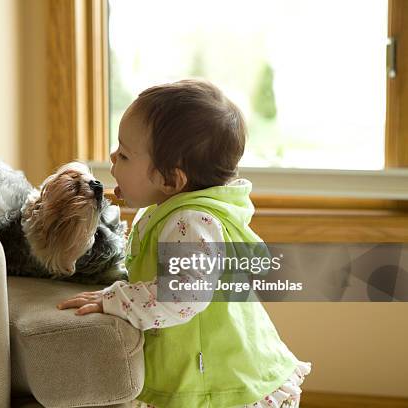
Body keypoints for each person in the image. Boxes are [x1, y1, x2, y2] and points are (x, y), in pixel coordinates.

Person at [57, 79, 311, 408]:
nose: (111, 157)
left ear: (170, 180)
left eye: (124, 154)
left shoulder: (192, 222)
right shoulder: (174, 213)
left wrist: (117, 300)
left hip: (219, 380)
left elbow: (183, 295)